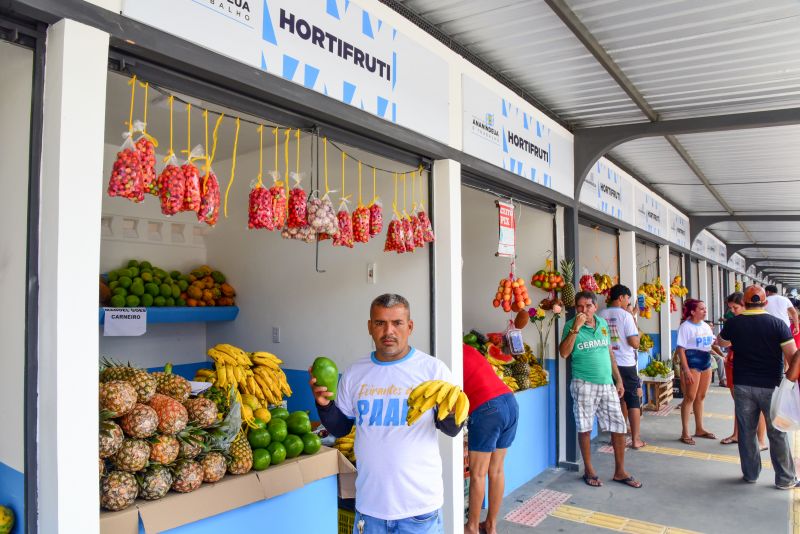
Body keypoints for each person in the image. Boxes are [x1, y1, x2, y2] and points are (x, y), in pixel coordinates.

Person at [309, 294, 463, 533]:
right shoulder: (354, 373)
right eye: (380, 323)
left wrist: (453, 413)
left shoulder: (433, 370)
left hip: (419, 510)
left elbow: (451, 430)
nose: (388, 331)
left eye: (397, 323)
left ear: (410, 326)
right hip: (370, 509)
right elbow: (341, 428)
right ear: (370, 327)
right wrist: (324, 405)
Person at [717, 285, 800, 489]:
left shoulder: (734, 323)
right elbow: (792, 355)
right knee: (777, 432)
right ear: (766, 302)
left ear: (744, 303)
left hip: (742, 385)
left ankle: (751, 474)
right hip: (771, 386)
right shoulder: (778, 324)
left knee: (746, 432)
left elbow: (721, 342)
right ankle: (785, 479)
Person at [559, 291, 642, 488]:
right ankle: (589, 470)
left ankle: (620, 471)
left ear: (595, 307)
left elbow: (609, 354)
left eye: (588, 306)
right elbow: (564, 353)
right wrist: (575, 329)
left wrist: (618, 380)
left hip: (606, 383)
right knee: (585, 428)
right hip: (583, 383)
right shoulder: (570, 326)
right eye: (580, 307)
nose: (584, 310)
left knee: (618, 426)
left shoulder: (603, 324)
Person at [462, 344, 518, 534]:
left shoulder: (447, 355)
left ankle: (471, 527)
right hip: (510, 402)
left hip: (487, 408)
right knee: (497, 469)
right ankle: (491, 526)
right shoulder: (469, 350)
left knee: (478, 474)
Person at [599, 284, 645, 449]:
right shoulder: (626, 316)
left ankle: (616, 438)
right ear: (621, 298)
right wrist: (638, 332)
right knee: (633, 401)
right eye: (627, 298)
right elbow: (634, 343)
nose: (628, 302)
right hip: (625, 363)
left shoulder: (601, 314)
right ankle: (636, 439)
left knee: (617, 401)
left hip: (608, 364)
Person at [719, 292, 767, 449]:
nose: (732, 311)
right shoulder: (735, 322)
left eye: (735, 307)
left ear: (745, 305)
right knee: (739, 402)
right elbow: (722, 341)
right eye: (730, 308)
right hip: (734, 362)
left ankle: (761, 440)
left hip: (754, 367)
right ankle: (736, 434)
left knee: (759, 404)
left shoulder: (759, 321)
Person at [676, 299, 717, 445]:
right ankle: (685, 432)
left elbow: (711, 344)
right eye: (701, 309)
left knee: (701, 396)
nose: (705, 311)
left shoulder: (705, 326)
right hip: (692, 361)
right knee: (690, 397)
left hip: (706, 361)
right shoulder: (685, 327)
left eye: (705, 308)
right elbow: (680, 349)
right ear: (693, 312)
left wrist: (722, 355)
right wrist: (686, 369)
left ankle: (699, 428)